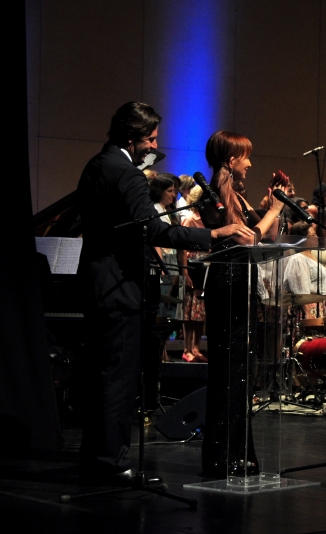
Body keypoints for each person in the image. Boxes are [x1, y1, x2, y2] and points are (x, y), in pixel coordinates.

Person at [75, 102, 251, 482]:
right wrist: (213, 234)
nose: (155, 145)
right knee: (119, 380)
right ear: (131, 137)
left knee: (101, 376)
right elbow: (153, 230)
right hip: (120, 287)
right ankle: (111, 463)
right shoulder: (127, 174)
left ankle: (95, 457)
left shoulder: (96, 165)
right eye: (151, 138)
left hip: (95, 283)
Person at [201, 130, 285, 478]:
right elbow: (247, 236)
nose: (249, 163)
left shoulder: (236, 195)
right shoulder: (214, 194)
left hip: (240, 284)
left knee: (241, 374)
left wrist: (273, 208)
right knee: (230, 372)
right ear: (232, 159)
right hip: (227, 286)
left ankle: (237, 453)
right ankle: (223, 455)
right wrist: (273, 209)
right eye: (246, 157)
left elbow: (267, 233)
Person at [180, 186, 209, 363]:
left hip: (205, 266)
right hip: (192, 265)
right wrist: (185, 272)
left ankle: (196, 347)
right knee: (189, 312)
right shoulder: (190, 219)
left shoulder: (209, 220)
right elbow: (183, 248)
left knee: (200, 312)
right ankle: (186, 349)